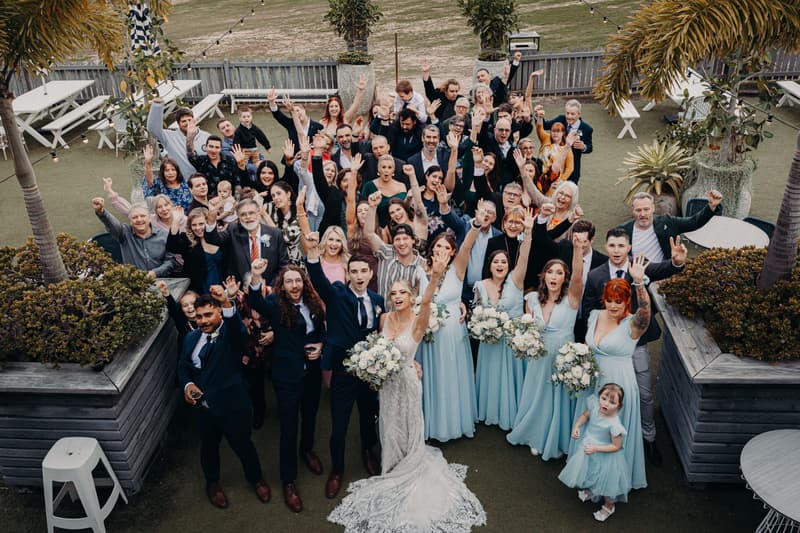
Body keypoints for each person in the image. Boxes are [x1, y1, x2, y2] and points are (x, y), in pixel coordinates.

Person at [327, 252, 486, 532]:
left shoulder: (418, 319)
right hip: (388, 384)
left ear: (411, 296)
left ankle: (410, 468)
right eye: (393, 292)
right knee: (389, 426)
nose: (397, 295)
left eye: (403, 292)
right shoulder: (384, 318)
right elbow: (381, 346)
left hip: (409, 384)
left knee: (409, 426)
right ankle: (390, 465)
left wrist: (435, 275)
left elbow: (426, 302)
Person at [612, 190, 721, 464]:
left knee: (670, 323)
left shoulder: (667, 222)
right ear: (633, 210)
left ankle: (647, 435)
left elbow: (693, 222)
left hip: (663, 278)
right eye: (638, 210)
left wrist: (711, 207)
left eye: (646, 209)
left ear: (653, 209)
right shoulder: (625, 232)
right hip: (639, 281)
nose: (643, 214)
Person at [177, 286, 271, 509]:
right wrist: (188, 385)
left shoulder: (231, 335)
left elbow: (237, 329)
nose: (203, 321)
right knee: (208, 447)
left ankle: (256, 480)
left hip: (232, 405)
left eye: (208, 314)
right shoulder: (191, 338)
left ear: (219, 312)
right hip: (204, 408)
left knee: (243, 446)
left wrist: (227, 303)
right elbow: (183, 367)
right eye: (199, 316)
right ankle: (212, 483)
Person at [305, 238, 384, 500]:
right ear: (348, 274)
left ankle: (366, 451)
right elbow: (318, 280)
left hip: (369, 373)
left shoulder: (377, 299)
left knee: (367, 417)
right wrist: (313, 253)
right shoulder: (337, 294)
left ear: (370, 274)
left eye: (364, 271)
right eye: (355, 272)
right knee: (339, 425)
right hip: (342, 372)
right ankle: (337, 469)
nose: (360, 276)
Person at [248, 262, 326, 513]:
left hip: (312, 373)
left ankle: (307, 450)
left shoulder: (314, 305)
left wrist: (321, 347)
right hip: (286, 377)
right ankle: (288, 481)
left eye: (298, 280)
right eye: (289, 281)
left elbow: (321, 332)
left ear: (304, 283)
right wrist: (257, 276)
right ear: (282, 285)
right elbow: (255, 302)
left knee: (311, 415)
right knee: (289, 427)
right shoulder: (274, 305)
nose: (294, 285)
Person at [573, 260, 652, 495]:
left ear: (627, 301)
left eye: (618, 301)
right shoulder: (595, 315)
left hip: (619, 383)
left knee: (611, 434)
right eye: (609, 300)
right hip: (593, 382)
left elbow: (645, 313)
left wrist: (639, 282)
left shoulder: (633, 324)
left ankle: (611, 485)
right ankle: (589, 477)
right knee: (593, 429)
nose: (613, 305)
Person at [507, 234, 584, 460]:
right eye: (550, 271)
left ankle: (556, 439)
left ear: (564, 278)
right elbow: (529, 328)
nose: (554, 276)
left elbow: (578, 276)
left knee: (559, 398)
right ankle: (534, 435)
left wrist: (578, 250)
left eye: (559, 273)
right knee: (538, 395)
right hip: (539, 358)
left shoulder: (571, 299)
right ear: (544, 276)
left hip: (562, 357)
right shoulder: (532, 300)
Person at [416, 201, 486, 442]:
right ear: (432, 249)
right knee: (431, 376)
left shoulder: (458, 267)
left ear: (453, 252)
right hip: (427, 333)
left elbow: (467, 244)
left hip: (452, 332)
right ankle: (430, 423)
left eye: (446, 248)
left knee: (450, 376)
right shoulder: (420, 269)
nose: (441, 251)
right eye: (438, 247)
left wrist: (475, 224)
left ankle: (452, 422)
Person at [474, 208, 535, 430]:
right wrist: (483, 327)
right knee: (492, 377)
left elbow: (525, 256)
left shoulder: (516, 280)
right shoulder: (481, 286)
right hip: (490, 343)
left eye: (504, 262)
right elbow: (478, 315)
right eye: (496, 262)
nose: (500, 265)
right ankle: (489, 411)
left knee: (511, 379)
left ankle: (513, 413)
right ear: (489, 266)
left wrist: (527, 232)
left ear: (509, 266)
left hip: (512, 341)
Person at [559, 384, 631, 522]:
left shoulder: (614, 424)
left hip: (605, 456)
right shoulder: (594, 407)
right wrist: (576, 426)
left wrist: (596, 448)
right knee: (591, 472)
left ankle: (609, 506)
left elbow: (617, 446)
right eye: (603, 398)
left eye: (612, 402)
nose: (606, 404)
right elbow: (585, 416)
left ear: (619, 406)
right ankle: (592, 491)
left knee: (605, 481)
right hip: (589, 448)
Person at [204, 197, 289, 284]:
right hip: (241, 290)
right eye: (243, 214)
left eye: (251, 213)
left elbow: (284, 265)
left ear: (258, 213)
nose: (248, 217)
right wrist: (212, 216)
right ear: (238, 216)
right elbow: (212, 239)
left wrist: (273, 287)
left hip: (270, 289)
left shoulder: (275, 233)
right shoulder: (232, 231)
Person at [92, 197, 176, 278]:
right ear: (130, 221)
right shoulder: (124, 233)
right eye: (134, 217)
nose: (139, 220)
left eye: (142, 216)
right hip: (134, 283)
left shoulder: (164, 235)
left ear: (150, 218)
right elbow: (112, 224)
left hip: (162, 281)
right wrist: (101, 212)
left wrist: (155, 273)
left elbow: (170, 261)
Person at [147, 98, 209, 178]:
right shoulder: (170, 136)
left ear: (194, 120)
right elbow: (153, 129)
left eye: (189, 120)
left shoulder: (207, 136)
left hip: (204, 183)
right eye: (183, 121)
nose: (187, 123)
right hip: (182, 183)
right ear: (178, 124)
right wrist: (157, 106)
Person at [167, 207, 223, 294]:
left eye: (201, 224)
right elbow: (172, 247)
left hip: (223, 287)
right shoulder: (188, 240)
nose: (197, 228)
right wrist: (175, 222)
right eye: (194, 225)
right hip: (199, 290)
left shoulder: (222, 237)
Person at [539, 99, 593, 184]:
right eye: (567, 113)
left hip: (572, 169)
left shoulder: (586, 128)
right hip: (554, 165)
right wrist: (539, 116)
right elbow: (545, 125)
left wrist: (584, 147)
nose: (569, 116)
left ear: (579, 114)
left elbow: (590, 147)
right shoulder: (561, 119)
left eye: (572, 114)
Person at [187, 132, 249, 196]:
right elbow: (190, 155)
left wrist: (241, 164)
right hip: (211, 202)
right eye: (211, 146)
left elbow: (238, 182)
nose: (213, 150)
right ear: (206, 147)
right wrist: (190, 138)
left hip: (231, 199)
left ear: (220, 149)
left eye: (217, 147)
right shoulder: (201, 161)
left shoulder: (230, 160)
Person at [140, 145, 193, 211]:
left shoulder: (185, 183)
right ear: (163, 173)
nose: (170, 173)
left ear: (177, 171)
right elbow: (150, 181)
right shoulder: (160, 183)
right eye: (167, 170)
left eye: (173, 170)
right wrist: (148, 162)